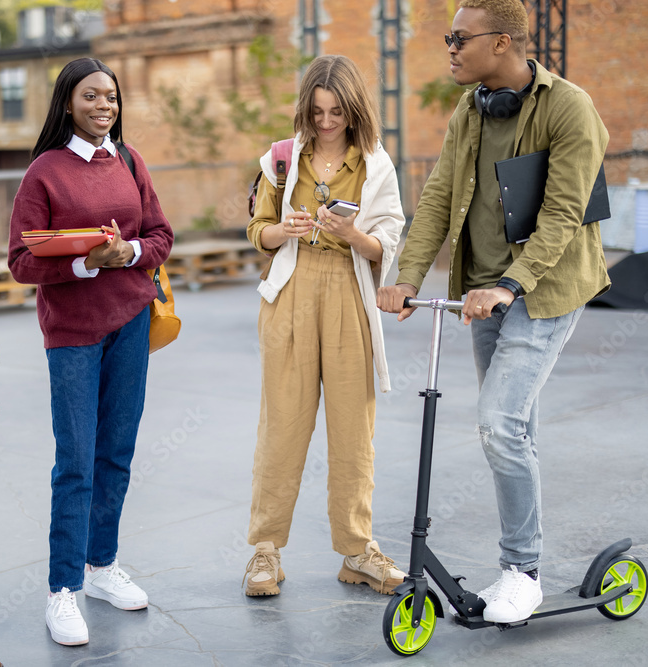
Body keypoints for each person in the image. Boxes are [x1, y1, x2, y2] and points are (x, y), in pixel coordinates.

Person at [376, 0, 610, 624]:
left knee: (498, 423)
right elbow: (437, 198)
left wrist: (511, 284)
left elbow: (563, 214)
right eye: (448, 37)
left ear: (502, 42)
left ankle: (522, 571)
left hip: (546, 290)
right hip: (482, 289)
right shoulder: (470, 109)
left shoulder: (569, 108)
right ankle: (522, 561)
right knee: (514, 429)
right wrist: (405, 276)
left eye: (459, 37)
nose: (449, 47)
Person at [8, 57, 173, 646]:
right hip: (73, 332)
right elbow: (22, 263)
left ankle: (101, 567)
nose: (104, 106)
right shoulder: (43, 174)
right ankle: (63, 590)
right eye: (91, 96)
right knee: (75, 461)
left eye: (111, 97)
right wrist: (84, 262)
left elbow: (161, 236)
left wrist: (126, 254)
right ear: (67, 103)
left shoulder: (129, 161)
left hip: (130, 321)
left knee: (117, 453)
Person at [243, 54, 407, 597]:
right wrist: (281, 231)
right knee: (282, 427)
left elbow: (390, 241)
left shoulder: (376, 164)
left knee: (354, 432)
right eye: (317, 111)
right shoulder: (281, 159)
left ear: (354, 108)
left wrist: (353, 232)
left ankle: (357, 550)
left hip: (348, 290)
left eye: (337, 111)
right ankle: (265, 552)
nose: (327, 121)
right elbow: (256, 229)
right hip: (291, 290)